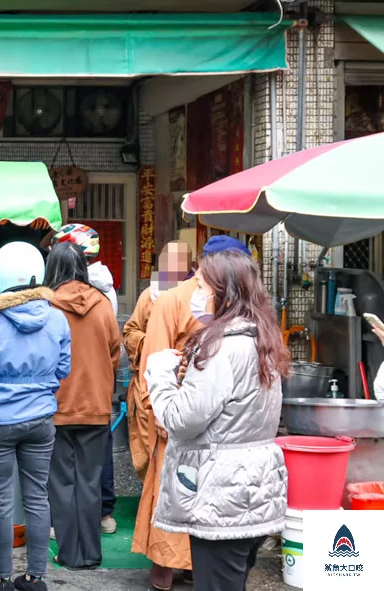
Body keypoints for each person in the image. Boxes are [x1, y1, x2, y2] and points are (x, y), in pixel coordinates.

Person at [145, 249, 290, 591]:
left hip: (220, 495)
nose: (193, 294)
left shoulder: (224, 348)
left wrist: (160, 376)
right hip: (252, 487)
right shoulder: (262, 339)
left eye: (199, 285)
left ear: (222, 294)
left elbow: (180, 419)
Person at [132, 234, 252, 591]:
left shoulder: (230, 306)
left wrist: (154, 412)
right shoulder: (181, 300)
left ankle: (169, 571)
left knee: (175, 494)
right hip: (187, 414)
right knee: (191, 496)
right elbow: (153, 358)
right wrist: (160, 413)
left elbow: (151, 364)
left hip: (194, 417)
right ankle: (179, 570)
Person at [0, 241, 71, 591]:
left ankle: (3, 577)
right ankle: (36, 577)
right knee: (38, 497)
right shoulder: (57, 317)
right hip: (40, 420)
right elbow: (64, 369)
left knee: (1, 499)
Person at [45, 243, 121, 570]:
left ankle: (68, 552)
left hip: (56, 406)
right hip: (95, 405)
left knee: (61, 482)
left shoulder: (46, 305)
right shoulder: (102, 304)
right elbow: (115, 352)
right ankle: (91, 553)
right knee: (90, 481)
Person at [125, 242, 193, 482]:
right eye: (166, 259)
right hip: (148, 384)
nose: (169, 266)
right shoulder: (150, 295)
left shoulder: (196, 297)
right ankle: (151, 498)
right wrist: (149, 343)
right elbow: (130, 330)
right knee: (148, 452)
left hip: (185, 384)